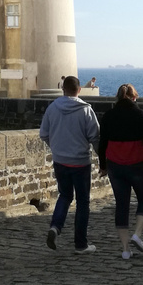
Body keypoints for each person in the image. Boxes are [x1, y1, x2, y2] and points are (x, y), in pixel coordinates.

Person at [98, 84, 143, 260]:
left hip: (116, 167)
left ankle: (125, 249)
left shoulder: (109, 116)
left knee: (122, 205)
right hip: (139, 166)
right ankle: (137, 234)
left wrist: (102, 166)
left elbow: (102, 143)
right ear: (134, 98)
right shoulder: (141, 116)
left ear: (118, 98)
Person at [40, 75, 100, 253]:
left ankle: (55, 227)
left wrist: (56, 148)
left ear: (62, 89)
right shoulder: (86, 110)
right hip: (80, 162)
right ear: (79, 90)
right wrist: (103, 161)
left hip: (60, 161)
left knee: (65, 196)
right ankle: (80, 244)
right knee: (82, 202)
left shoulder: (52, 108)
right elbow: (95, 137)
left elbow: (44, 134)